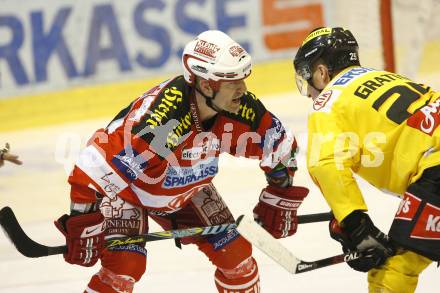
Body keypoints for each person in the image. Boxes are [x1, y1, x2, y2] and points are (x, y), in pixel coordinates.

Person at [55, 30, 309, 293]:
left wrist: (280, 193)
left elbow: (280, 147)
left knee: (237, 258)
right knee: (124, 266)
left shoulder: (242, 109)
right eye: (233, 82)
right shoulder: (162, 123)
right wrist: (83, 222)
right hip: (129, 190)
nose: (243, 90)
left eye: (243, 80)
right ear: (207, 85)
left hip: (188, 187)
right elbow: (92, 168)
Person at [293, 27, 439, 293]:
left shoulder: (329, 99)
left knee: (392, 270)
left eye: (308, 75)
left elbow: (325, 163)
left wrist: (354, 223)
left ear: (322, 72)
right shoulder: (385, 76)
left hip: (436, 167)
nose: (310, 91)